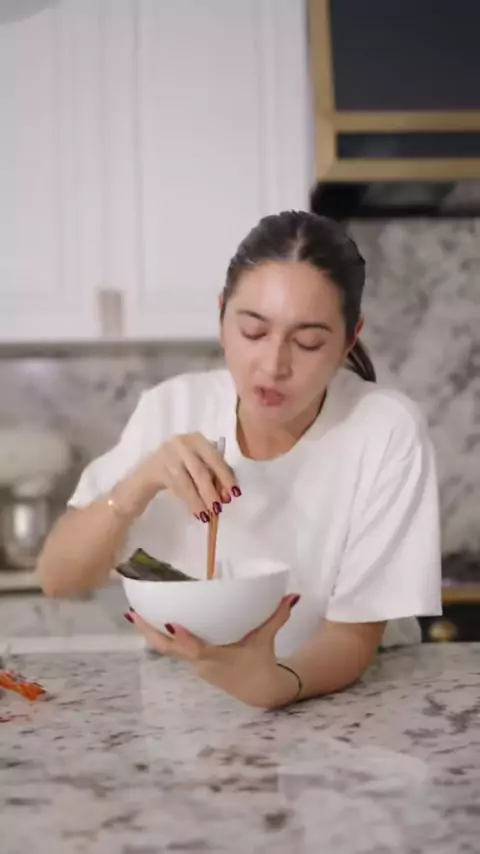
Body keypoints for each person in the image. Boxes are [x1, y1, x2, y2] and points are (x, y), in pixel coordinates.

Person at [37, 211, 442, 709]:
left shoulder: (384, 429)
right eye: (253, 332)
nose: (274, 365)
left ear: (349, 339)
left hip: (343, 698)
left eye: (309, 342)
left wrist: (275, 684)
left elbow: (353, 636)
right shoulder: (171, 408)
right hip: (182, 702)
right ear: (222, 315)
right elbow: (59, 579)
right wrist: (138, 485)